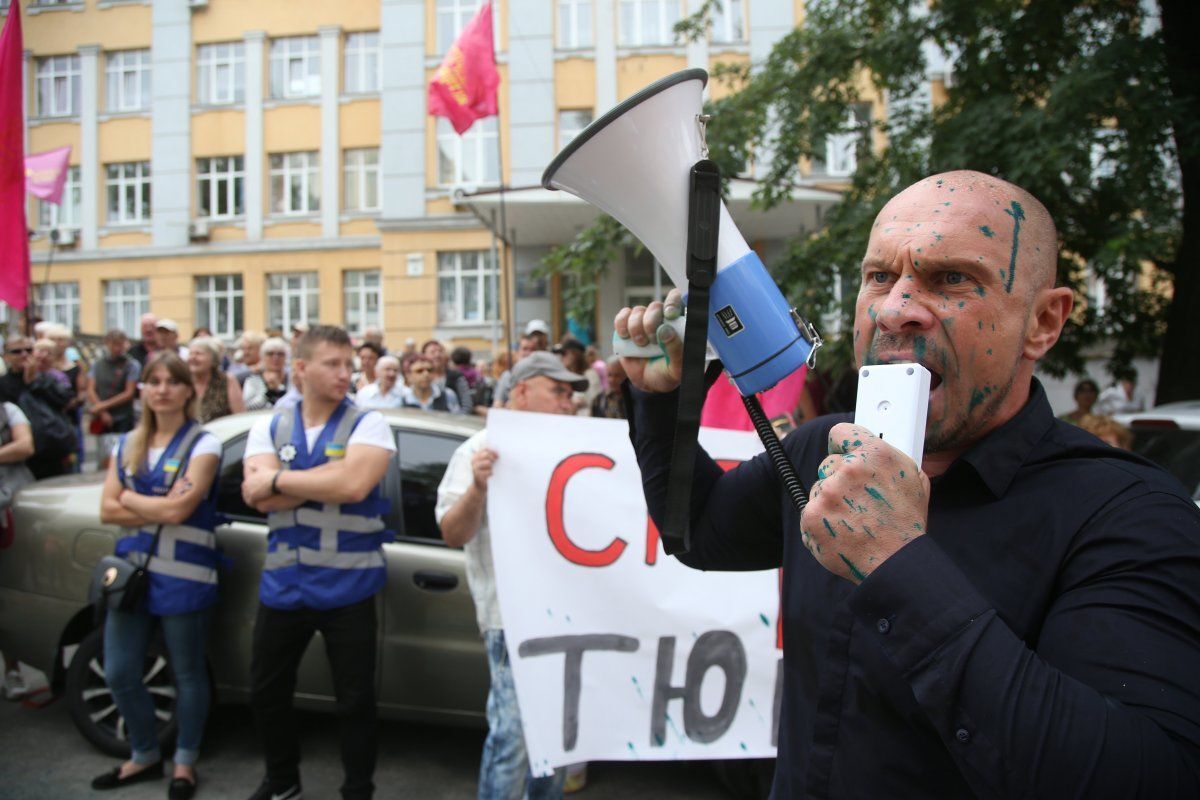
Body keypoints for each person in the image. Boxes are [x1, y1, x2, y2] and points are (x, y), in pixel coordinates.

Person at [616, 170, 1200, 797]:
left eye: (952, 279)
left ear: (1043, 323)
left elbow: (1143, 778)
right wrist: (664, 404)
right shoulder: (823, 448)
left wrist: (901, 566)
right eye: (879, 278)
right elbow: (700, 531)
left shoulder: (1128, 515)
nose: (896, 309)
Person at [240, 325, 396, 800]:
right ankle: (283, 781)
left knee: (355, 703)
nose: (345, 373)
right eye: (333, 363)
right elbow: (254, 496)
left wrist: (279, 480)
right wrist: (326, 474)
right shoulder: (268, 424)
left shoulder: (369, 423)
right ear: (301, 368)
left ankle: (357, 791)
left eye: (349, 364)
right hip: (284, 587)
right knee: (267, 692)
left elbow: (353, 487)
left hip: (349, 590)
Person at [436, 350, 587, 800]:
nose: (568, 403)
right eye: (557, 391)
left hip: (568, 619)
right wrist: (479, 488)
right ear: (521, 391)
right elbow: (451, 531)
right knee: (514, 742)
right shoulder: (477, 452)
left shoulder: (575, 452)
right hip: (512, 620)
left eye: (570, 394)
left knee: (557, 741)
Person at [94, 353, 223, 799]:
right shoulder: (127, 442)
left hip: (186, 579)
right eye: (154, 381)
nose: (162, 389)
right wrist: (148, 503)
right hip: (133, 579)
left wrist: (130, 497)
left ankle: (184, 762)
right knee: (118, 671)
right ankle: (145, 754)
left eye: (173, 381)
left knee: (188, 674)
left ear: (189, 390)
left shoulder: (202, 443)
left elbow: (178, 509)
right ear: (143, 389)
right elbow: (105, 509)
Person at [88, 330, 142, 470]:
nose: (117, 348)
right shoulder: (97, 365)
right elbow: (91, 388)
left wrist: (102, 406)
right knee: (103, 455)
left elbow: (129, 392)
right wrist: (102, 411)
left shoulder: (131, 365)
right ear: (107, 344)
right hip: (103, 418)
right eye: (114, 344)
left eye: (120, 344)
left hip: (123, 417)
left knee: (123, 454)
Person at [188, 337, 245, 423]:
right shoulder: (183, 381)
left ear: (213, 358)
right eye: (191, 354)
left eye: (198, 354)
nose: (193, 358)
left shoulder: (227, 381)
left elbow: (240, 416)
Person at [422, 340, 472, 416]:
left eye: (440, 351)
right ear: (423, 356)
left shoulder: (456, 376)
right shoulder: (421, 378)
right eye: (432, 352)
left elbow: (466, 405)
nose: (437, 355)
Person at [552, 339, 601, 416]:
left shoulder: (590, 374)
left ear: (574, 354)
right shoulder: (565, 374)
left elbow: (595, 400)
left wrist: (578, 402)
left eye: (564, 354)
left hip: (586, 420)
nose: (562, 357)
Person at [492, 334, 541, 408]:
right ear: (518, 351)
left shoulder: (541, 375)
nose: (529, 353)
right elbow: (497, 404)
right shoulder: (507, 375)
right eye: (525, 349)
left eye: (532, 349)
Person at [243, 338, 292, 410]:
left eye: (280, 354)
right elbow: (247, 408)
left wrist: (279, 388)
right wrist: (269, 392)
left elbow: (296, 403)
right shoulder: (253, 380)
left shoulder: (292, 379)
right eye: (270, 354)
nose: (275, 358)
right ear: (262, 357)